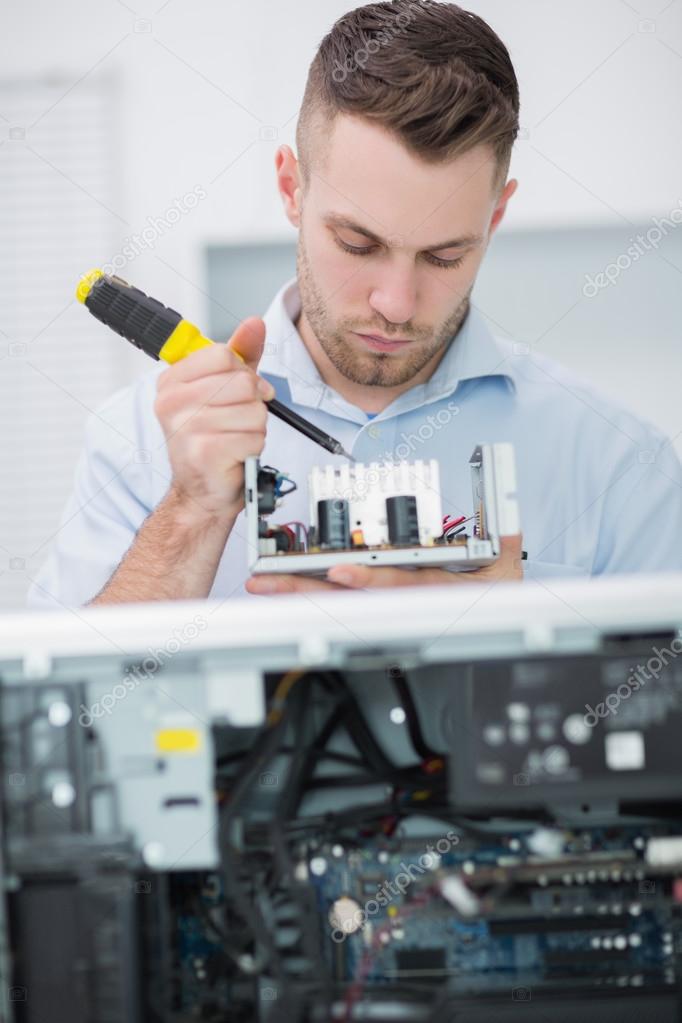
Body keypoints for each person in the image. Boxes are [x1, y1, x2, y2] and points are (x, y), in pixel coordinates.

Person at [27, 0, 682, 610]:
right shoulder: (138, 442)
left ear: (498, 213)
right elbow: (72, 723)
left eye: (445, 256)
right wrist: (190, 513)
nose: (396, 304)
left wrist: (529, 631)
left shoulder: (618, 462)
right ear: (291, 188)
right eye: (357, 243)